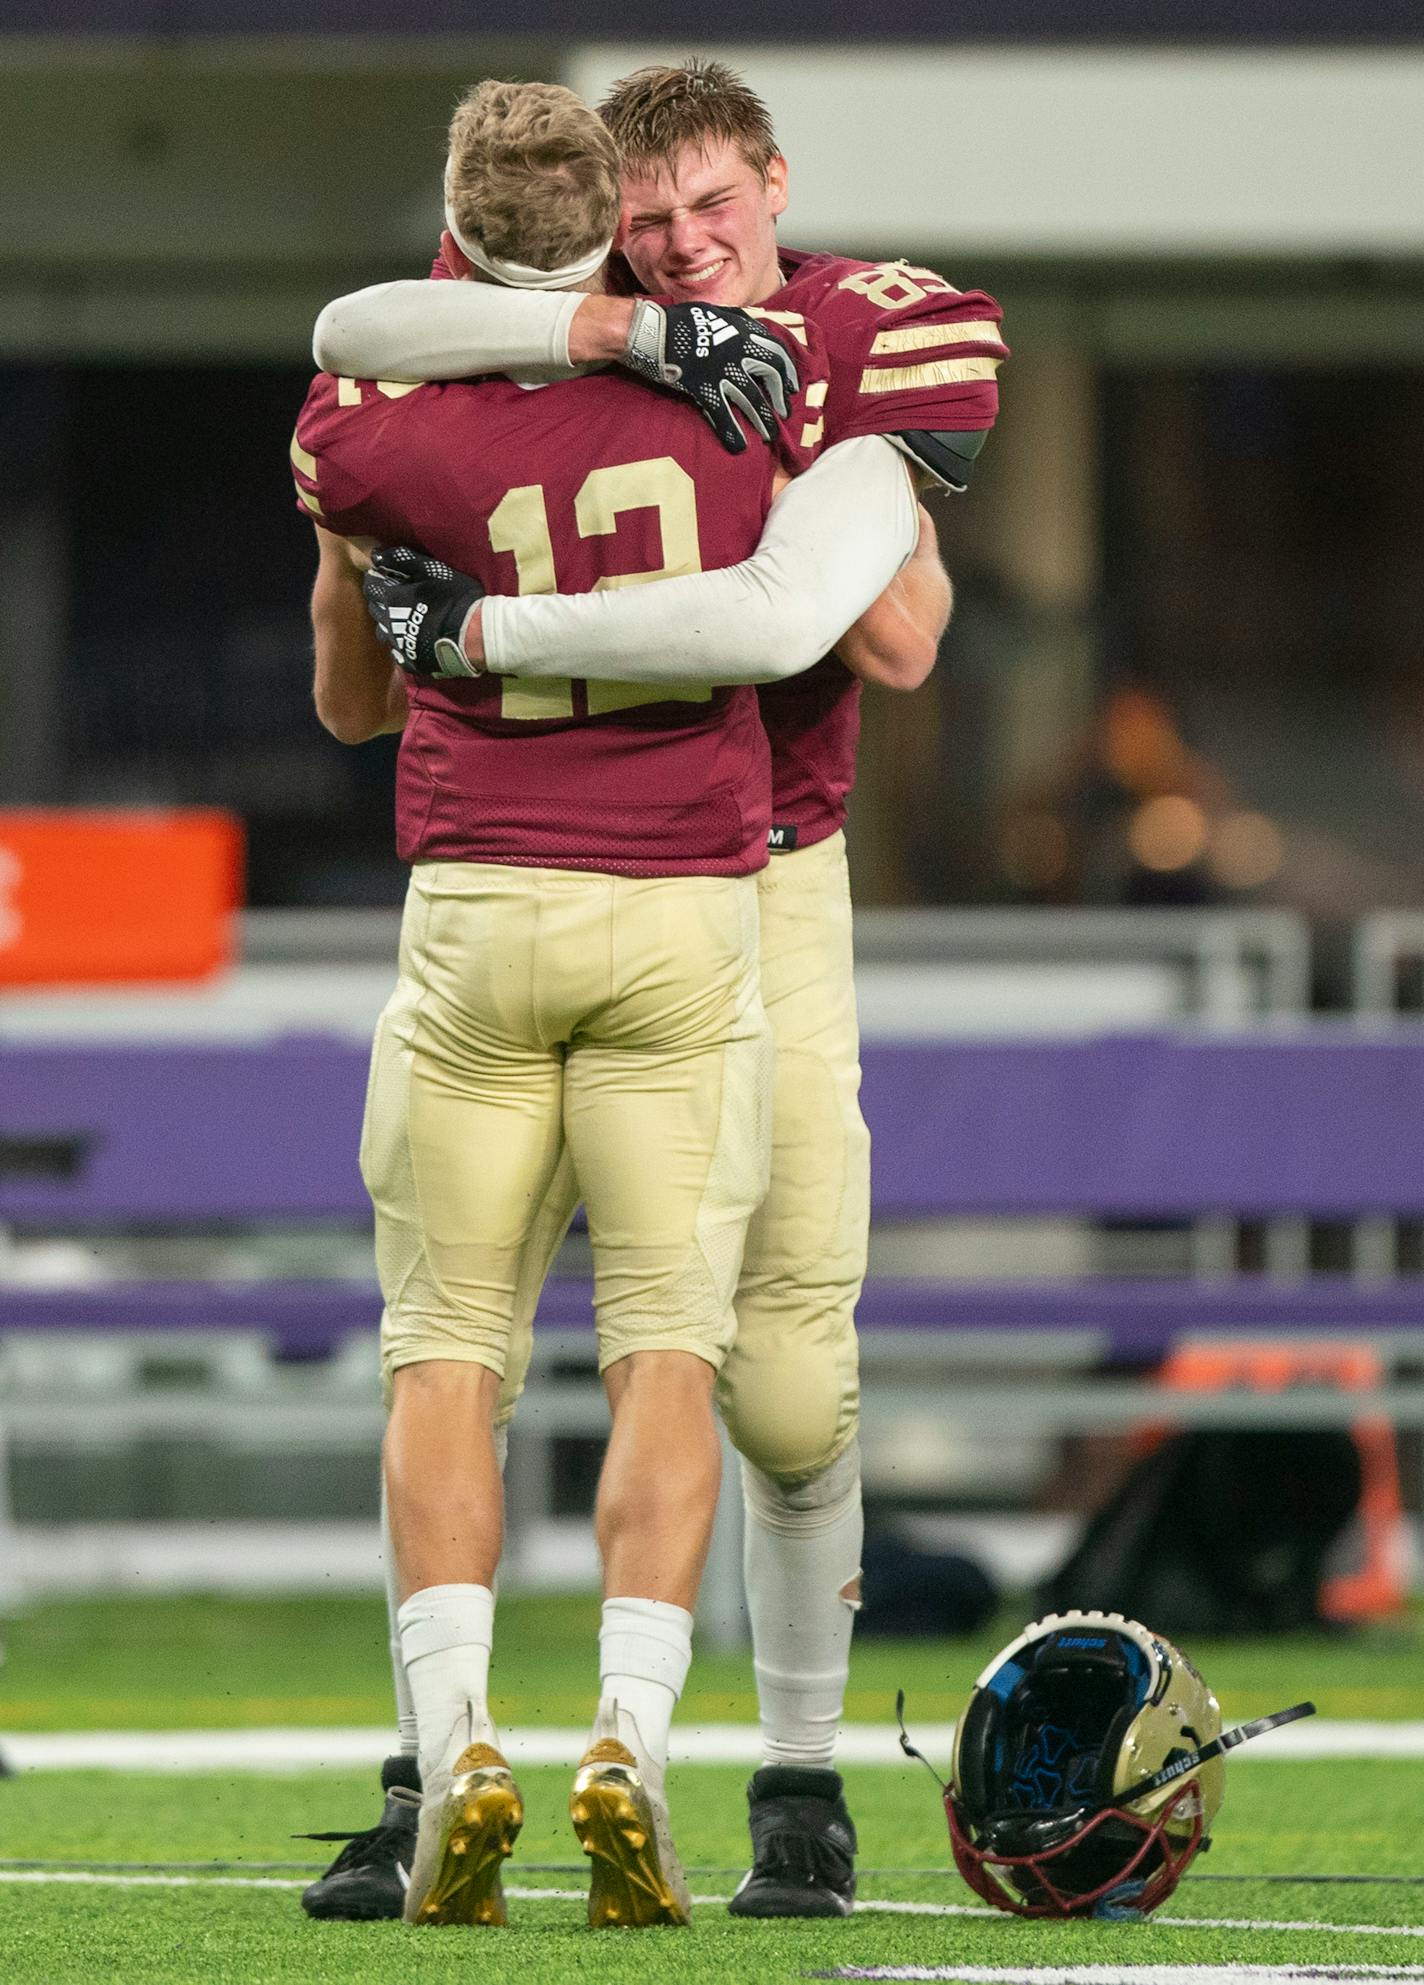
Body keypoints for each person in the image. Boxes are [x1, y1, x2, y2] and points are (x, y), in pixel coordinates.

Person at [309, 58, 1006, 1923]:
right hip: (605, 879)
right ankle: (436, 1756)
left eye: (715, 212)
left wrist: (756, 447)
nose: (689, 247)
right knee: (495, 1321)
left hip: (759, 877)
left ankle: (792, 1769)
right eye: (648, 223)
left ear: (776, 187)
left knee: (774, 1378)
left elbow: (899, 636)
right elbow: (369, 322)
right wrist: (616, 345)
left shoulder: (855, 338)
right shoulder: (555, 326)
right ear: (601, 231)